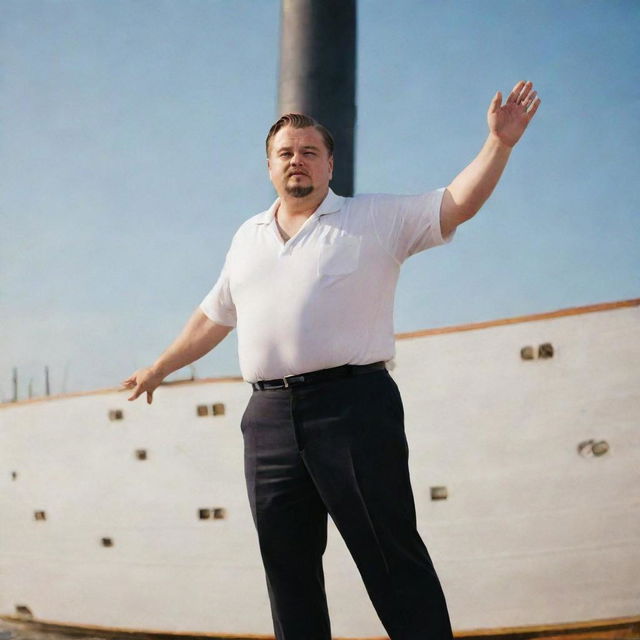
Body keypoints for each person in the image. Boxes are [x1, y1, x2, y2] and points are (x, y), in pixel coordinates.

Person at [122, 81, 540, 640]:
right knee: (287, 571)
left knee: (391, 560)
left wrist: (499, 145)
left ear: (330, 164)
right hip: (267, 419)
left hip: (352, 409)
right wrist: (159, 368)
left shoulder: (373, 219)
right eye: (286, 153)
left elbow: (456, 203)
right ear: (269, 166)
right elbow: (212, 317)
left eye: (309, 152)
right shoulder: (246, 236)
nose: (298, 161)